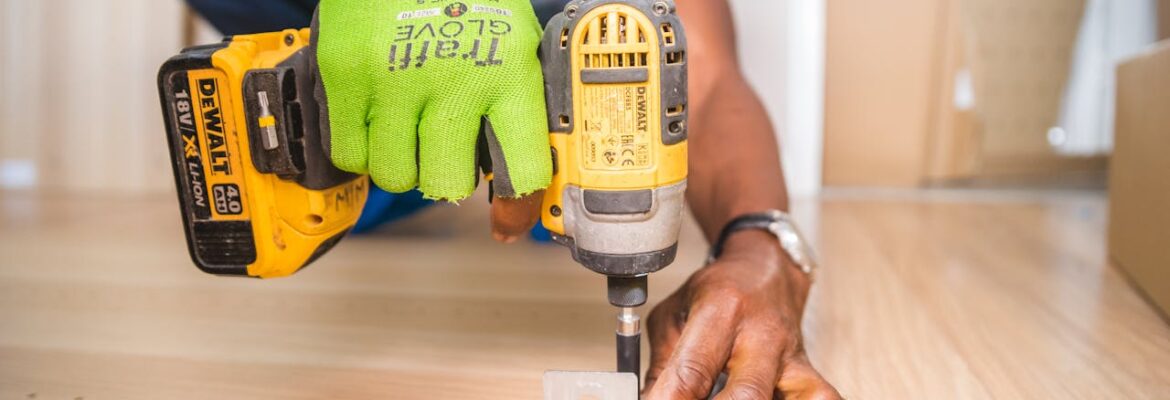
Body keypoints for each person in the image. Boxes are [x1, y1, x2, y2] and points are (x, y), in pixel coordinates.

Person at [186, 0, 842, 398]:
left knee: (552, 214)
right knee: (363, 196)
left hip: (539, 121)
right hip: (337, 99)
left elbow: (704, 69)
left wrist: (761, 244)